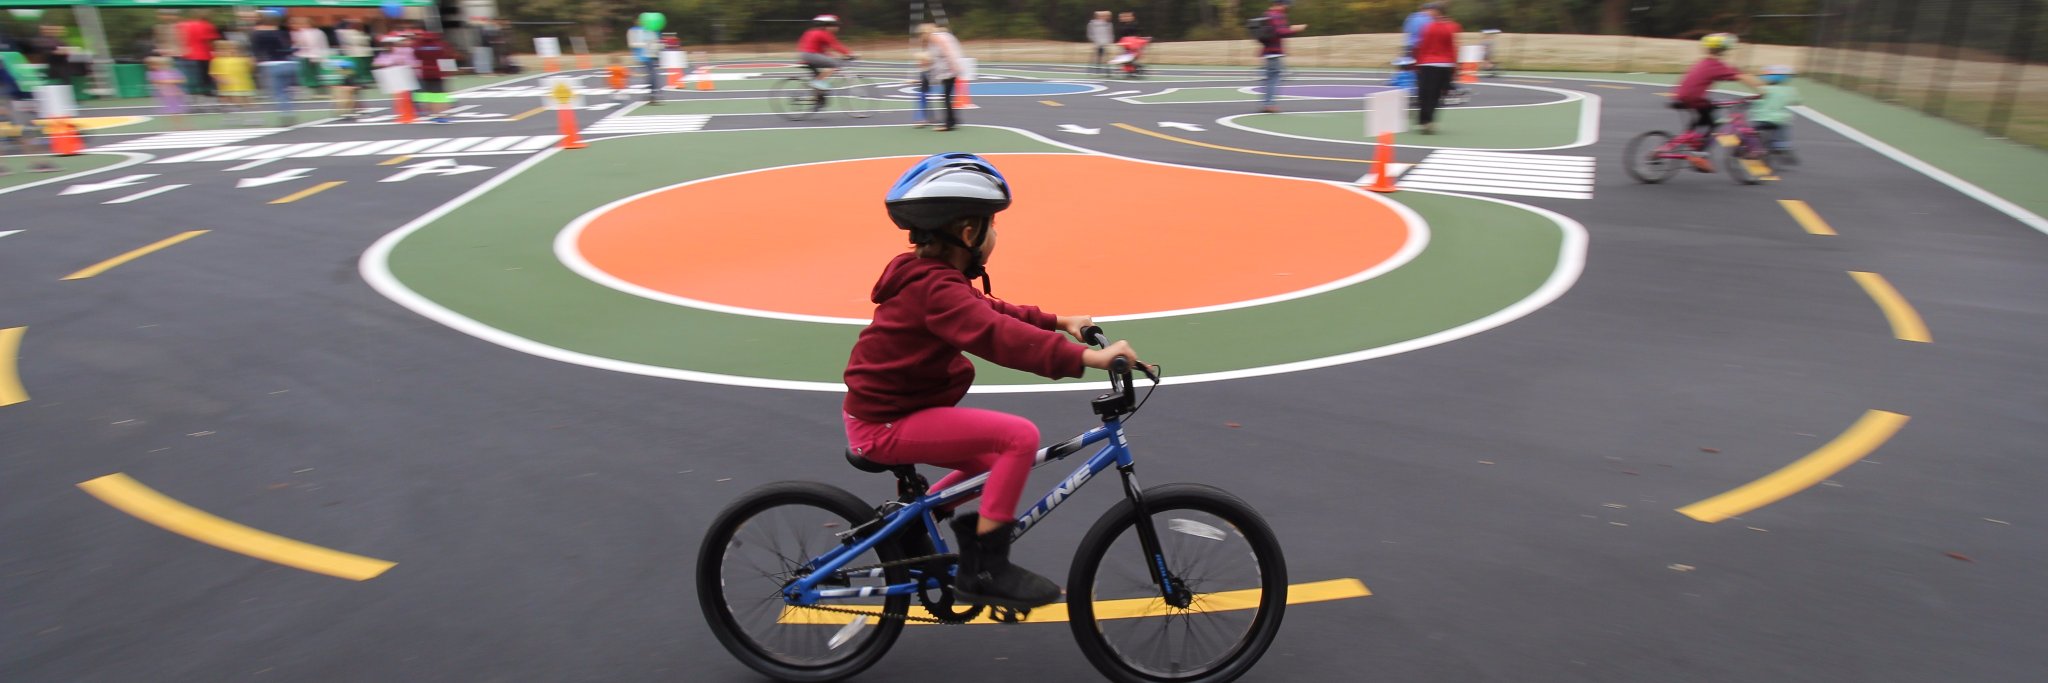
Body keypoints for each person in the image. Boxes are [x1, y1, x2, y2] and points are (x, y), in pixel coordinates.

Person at [845, 153, 1145, 609]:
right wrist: (1090, 357)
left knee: (992, 462)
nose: (996, 233)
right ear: (969, 233)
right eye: (991, 224)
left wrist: (1059, 321)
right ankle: (986, 568)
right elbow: (996, 336)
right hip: (883, 424)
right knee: (1018, 438)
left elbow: (992, 311)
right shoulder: (936, 290)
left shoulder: (935, 279)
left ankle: (912, 527)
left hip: (893, 410)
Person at [1672, 33, 1766, 172]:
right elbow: (1742, 77)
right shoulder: (1716, 65)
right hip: (1695, 99)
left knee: (1703, 117)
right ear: (1724, 50)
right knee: (1712, 122)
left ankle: (1690, 140)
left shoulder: (1703, 62)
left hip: (1682, 96)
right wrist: (1764, 89)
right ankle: (1699, 155)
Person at [1412, 3, 1459, 134]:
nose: (1427, 13)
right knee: (1436, 95)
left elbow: (1422, 47)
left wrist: (1417, 64)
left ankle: (1424, 121)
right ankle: (1430, 120)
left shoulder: (1428, 27)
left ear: (1437, 12)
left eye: (1430, 10)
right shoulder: (1452, 27)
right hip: (1445, 65)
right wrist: (1454, 67)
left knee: (1424, 94)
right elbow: (1453, 48)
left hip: (1428, 64)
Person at [1254, 0, 1307, 114]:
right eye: (1286, 5)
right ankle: (1270, 105)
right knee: (1274, 79)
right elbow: (1281, 32)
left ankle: (1267, 103)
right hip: (1275, 52)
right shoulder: (1278, 15)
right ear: (1282, 4)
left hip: (1267, 51)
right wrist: (1295, 29)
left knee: (1269, 79)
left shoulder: (1267, 14)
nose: (1287, 8)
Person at [248, 17, 296, 125]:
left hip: (270, 64)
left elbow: (255, 52)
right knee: (286, 89)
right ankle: (289, 109)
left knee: (278, 91)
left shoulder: (256, 35)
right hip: (288, 63)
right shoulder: (282, 33)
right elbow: (289, 48)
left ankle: (285, 113)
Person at [919, 23, 965, 131]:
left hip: (949, 70)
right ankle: (953, 120)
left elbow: (948, 52)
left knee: (946, 97)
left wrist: (954, 66)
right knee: (946, 96)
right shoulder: (940, 36)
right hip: (948, 70)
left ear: (925, 33)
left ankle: (949, 123)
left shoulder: (936, 38)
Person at [1751, 64, 1801, 157]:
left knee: (1752, 131)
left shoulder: (1763, 89)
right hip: (1779, 120)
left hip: (1760, 118)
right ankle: (1780, 145)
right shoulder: (1790, 90)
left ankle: (1752, 146)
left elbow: (1756, 100)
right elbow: (1797, 102)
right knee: (1784, 126)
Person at [797, 15, 856, 90]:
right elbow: (836, 46)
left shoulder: (810, 32)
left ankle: (818, 95)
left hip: (805, 55)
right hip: (811, 55)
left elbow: (816, 48)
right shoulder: (824, 34)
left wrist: (828, 55)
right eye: (835, 25)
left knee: (822, 70)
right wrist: (850, 54)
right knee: (834, 64)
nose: (837, 28)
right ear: (827, 26)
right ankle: (818, 81)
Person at [409, 26, 451, 123]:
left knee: (428, 94)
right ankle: (440, 114)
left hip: (425, 71)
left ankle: (431, 112)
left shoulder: (419, 45)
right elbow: (446, 56)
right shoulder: (440, 44)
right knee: (439, 95)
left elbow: (416, 55)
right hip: (438, 71)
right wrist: (448, 72)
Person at [209, 40, 256, 124]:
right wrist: (221, 80)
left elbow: (250, 69)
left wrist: (252, 63)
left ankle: (251, 117)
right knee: (228, 102)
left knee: (246, 102)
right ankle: (231, 117)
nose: (232, 50)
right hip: (226, 87)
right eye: (228, 49)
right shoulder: (217, 61)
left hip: (243, 84)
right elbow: (214, 74)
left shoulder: (242, 59)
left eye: (234, 48)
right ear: (220, 51)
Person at [177, 11, 221, 97]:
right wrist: (214, 51)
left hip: (187, 53)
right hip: (204, 53)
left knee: (191, 74)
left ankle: (193, 90)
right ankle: (207, 90)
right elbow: (209, 41)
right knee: (206, 73)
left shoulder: (183, 25)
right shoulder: (207, 25)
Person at [290, 16, 330, 96]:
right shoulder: (319, 32)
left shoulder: (303, 33)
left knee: (308, 75)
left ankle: (311, 90)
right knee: (317, 74)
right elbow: (324, 44)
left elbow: (303, 45)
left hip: (306, 56)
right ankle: (319, 90)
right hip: (319, 55)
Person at [147, 56, 188, 129]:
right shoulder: (155, 73)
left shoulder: (172, 71)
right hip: (167, 94)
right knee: (174, 110)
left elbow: (182, 80)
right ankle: (178, 126)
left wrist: (177, 88)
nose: (164, 66)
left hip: (174, 93)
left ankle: (181, 125)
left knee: (179, 110)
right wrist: (170, 82)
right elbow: (158, 82)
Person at [627, 20, 661, 104]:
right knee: (652, 74)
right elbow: (657, 42)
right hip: (648, 56)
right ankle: (653, 93)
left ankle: (652, 93)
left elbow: (632, 44)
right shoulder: (651, 30)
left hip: (642, 57)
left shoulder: (634, 30)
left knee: (650, 75)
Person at [1087, 11, 1114, 76]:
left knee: (1106, 57)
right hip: (1097, 42)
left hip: (1105, 42)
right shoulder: (1092, 23)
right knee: (1096, 56)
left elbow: (1110, 33)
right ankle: (1094, 70)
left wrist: (1109, 41)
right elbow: (1090, 33)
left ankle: (1108, 71)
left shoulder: (1108, 24)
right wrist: (1094, 40)